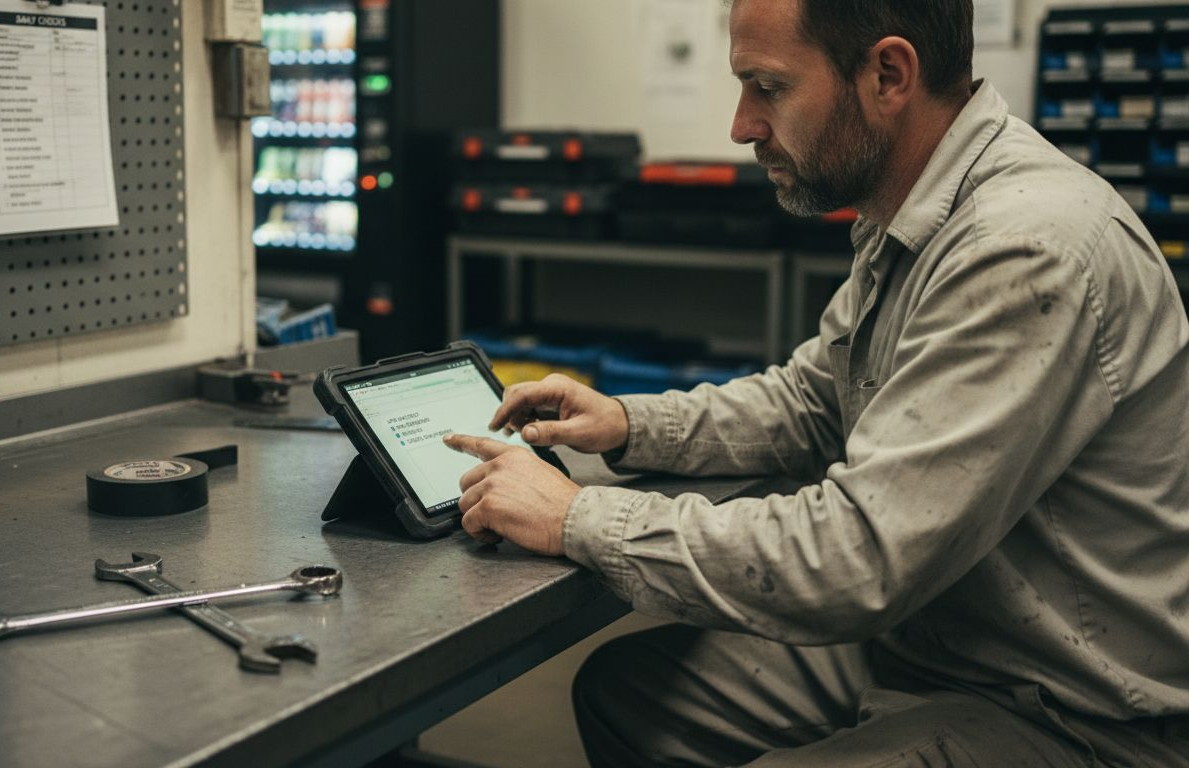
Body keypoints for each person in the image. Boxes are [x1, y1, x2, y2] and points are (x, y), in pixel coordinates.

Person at [442, 0, 1189, 765]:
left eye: (768, 86)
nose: (742, 125)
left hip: (1070, 711)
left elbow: (857, 560)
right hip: (944, 635)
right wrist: (631, 424)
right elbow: (814, 399)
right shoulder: (914, 207)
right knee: (633, 691)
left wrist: (578, 516)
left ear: (889, 75)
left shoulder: (1024, 248)